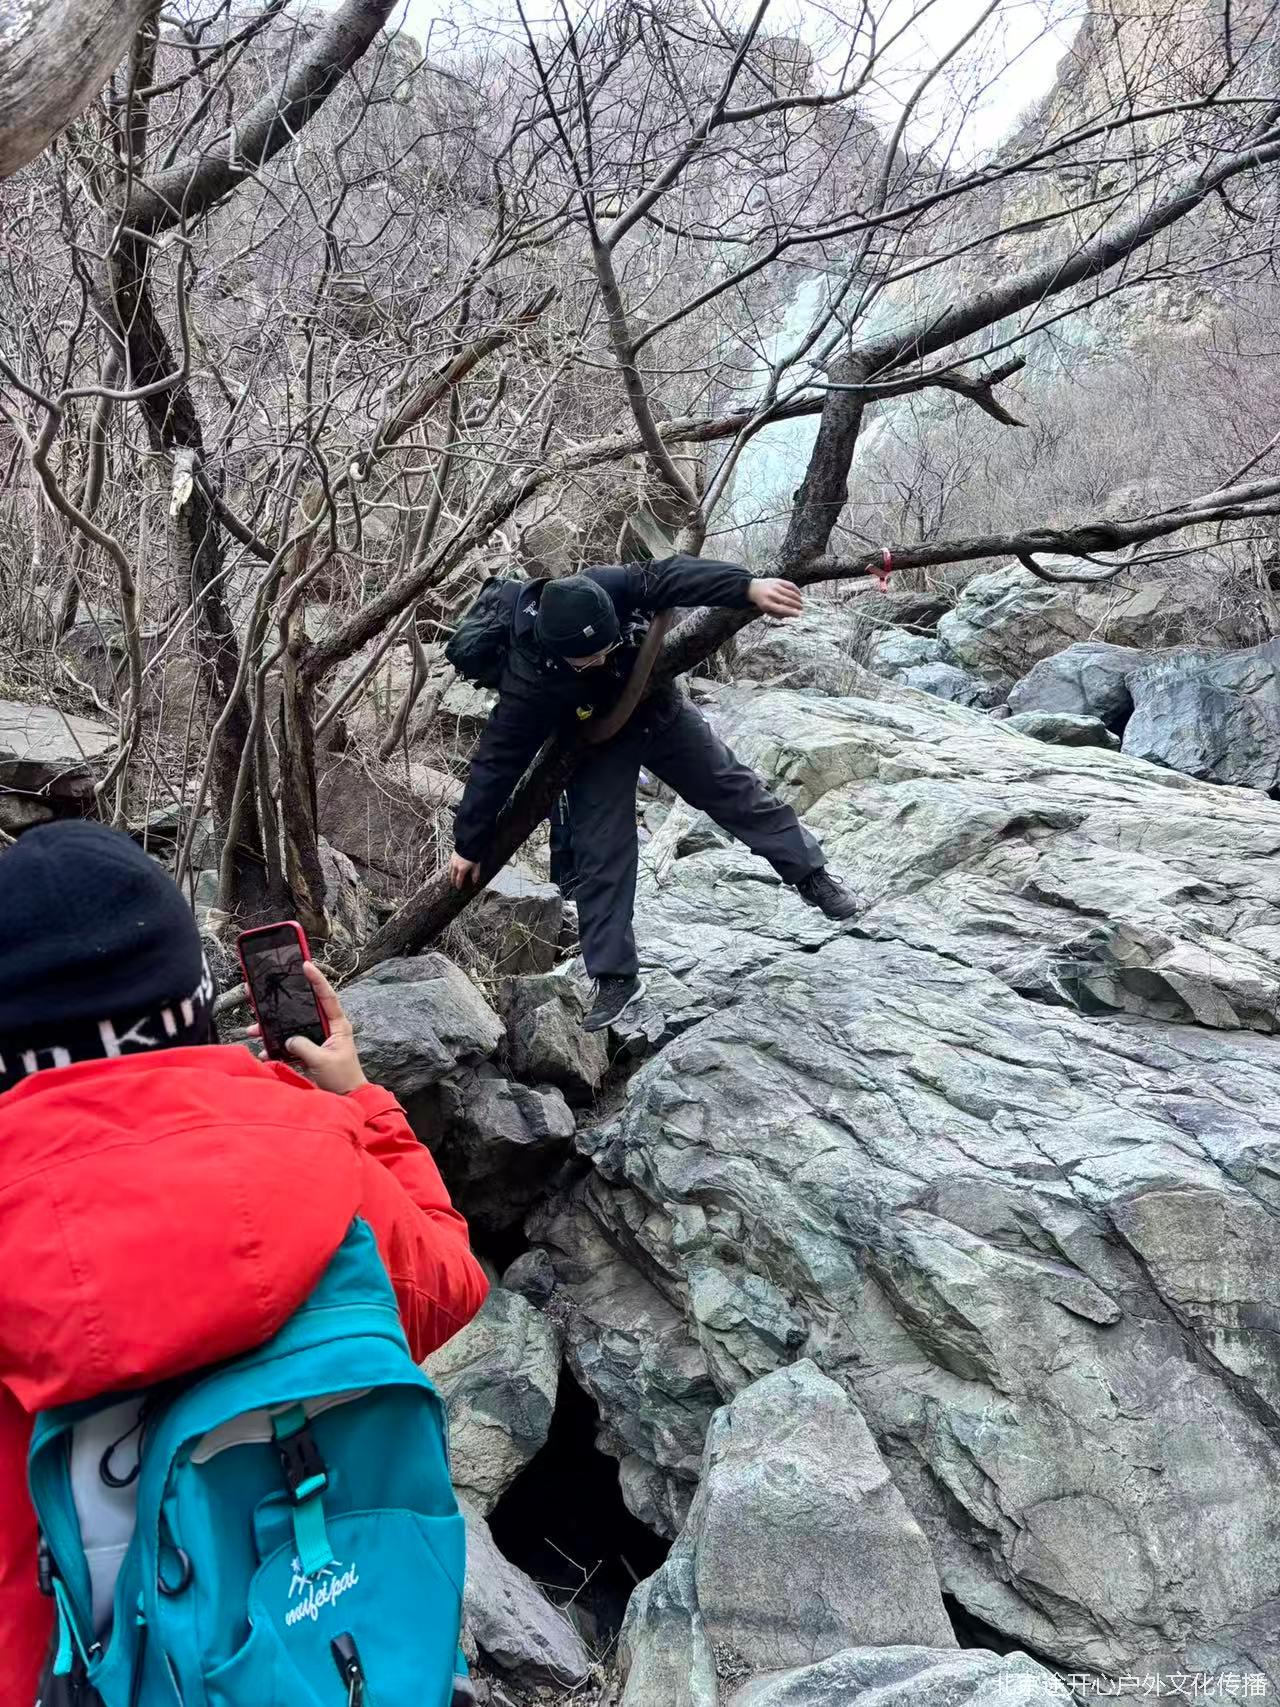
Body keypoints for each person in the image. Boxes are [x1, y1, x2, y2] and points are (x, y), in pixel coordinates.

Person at [0, 821, 489, 1704]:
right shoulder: (319, 1147)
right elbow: (449, 1281)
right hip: (303, 1660)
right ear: (194, 1007)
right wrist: (360, 1101)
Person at [449, 553, 861, 1032]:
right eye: (589, 658)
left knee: (733, 789)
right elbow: (496, 763)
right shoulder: (528, 679)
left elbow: (672, 574)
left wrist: (747, 587)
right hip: (593, 744)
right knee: (601, 851)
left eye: (607, 647)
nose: (602, 659)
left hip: (658, 710)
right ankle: (614, 977)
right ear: (558, 653)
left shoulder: (605, 586)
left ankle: (812, 876)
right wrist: (468, 844)